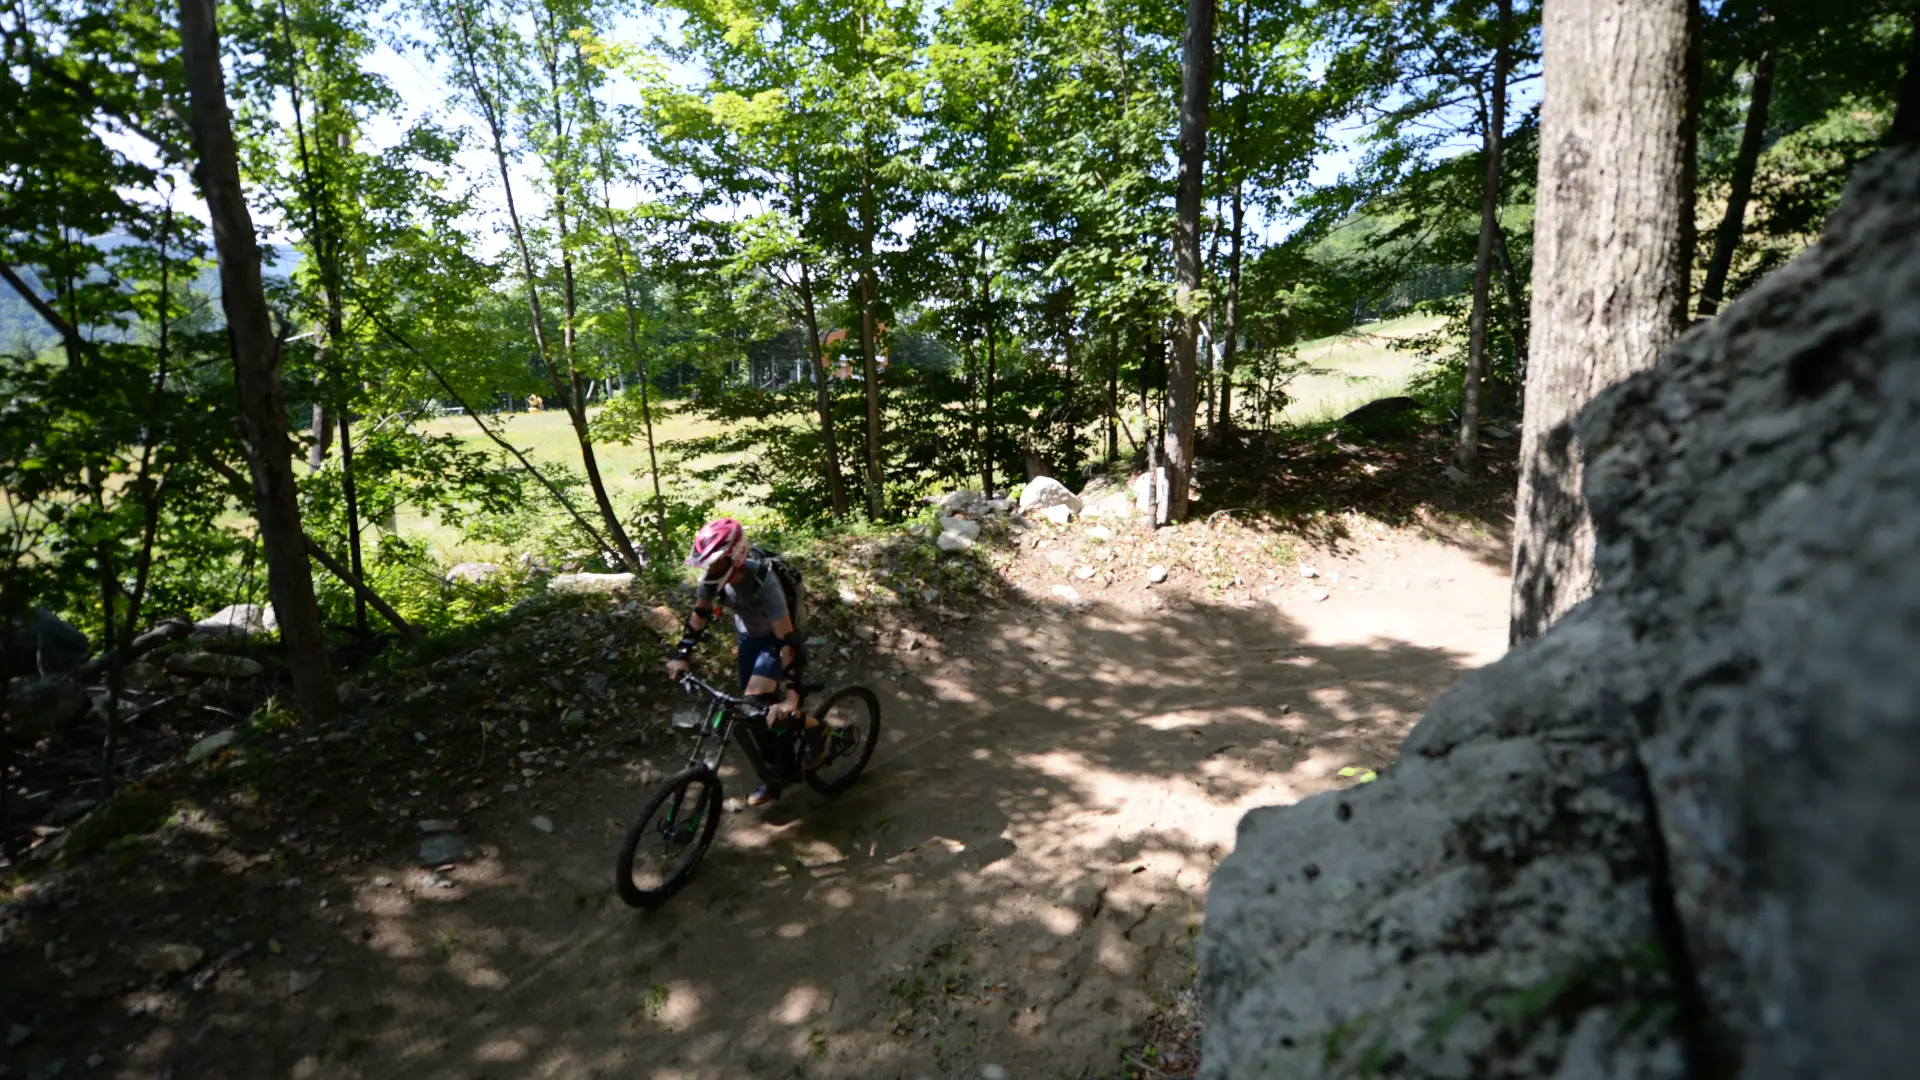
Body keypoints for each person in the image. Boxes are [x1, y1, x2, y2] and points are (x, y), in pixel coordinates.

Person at [665, 518, 823, 806]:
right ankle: (777, 774)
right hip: (748, 636)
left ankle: (815, 728)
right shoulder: (715, 578)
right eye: (706, 565)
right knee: (754, 712)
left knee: (760, 702)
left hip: (777, 637)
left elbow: (788, 641)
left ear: (735, 557)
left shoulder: (764, 580)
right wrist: (682, 656)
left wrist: (791, 696)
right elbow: (700, 613)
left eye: (715, 563)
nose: (709, 570)